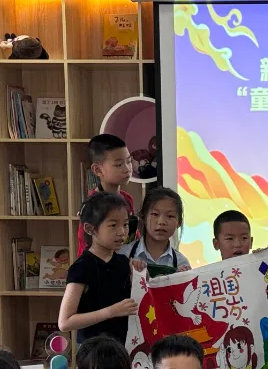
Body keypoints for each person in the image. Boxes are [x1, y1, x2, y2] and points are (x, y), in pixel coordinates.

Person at [60, 192, 136, 346]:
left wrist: (140, 274)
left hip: (122, 348)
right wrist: (111, 311)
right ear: (90, 229)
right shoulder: (82, 267)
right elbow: (65, 322)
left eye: (125, 224)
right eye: (113, 225)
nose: (122, 232)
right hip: (93, 351)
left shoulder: (124, 262)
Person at [77, 134, 136, 256]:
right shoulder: (92, 205)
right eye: (118, 165)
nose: (127, 169)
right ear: (98, 170)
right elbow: (84, 245)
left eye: (129, 161)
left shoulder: (127, 199)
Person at [122, 186, 190, 274]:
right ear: (143, 217)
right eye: (155, 214)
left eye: (170, 216)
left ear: (179, 222)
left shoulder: (182, 263)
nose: (161, 222)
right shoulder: (123, 254)